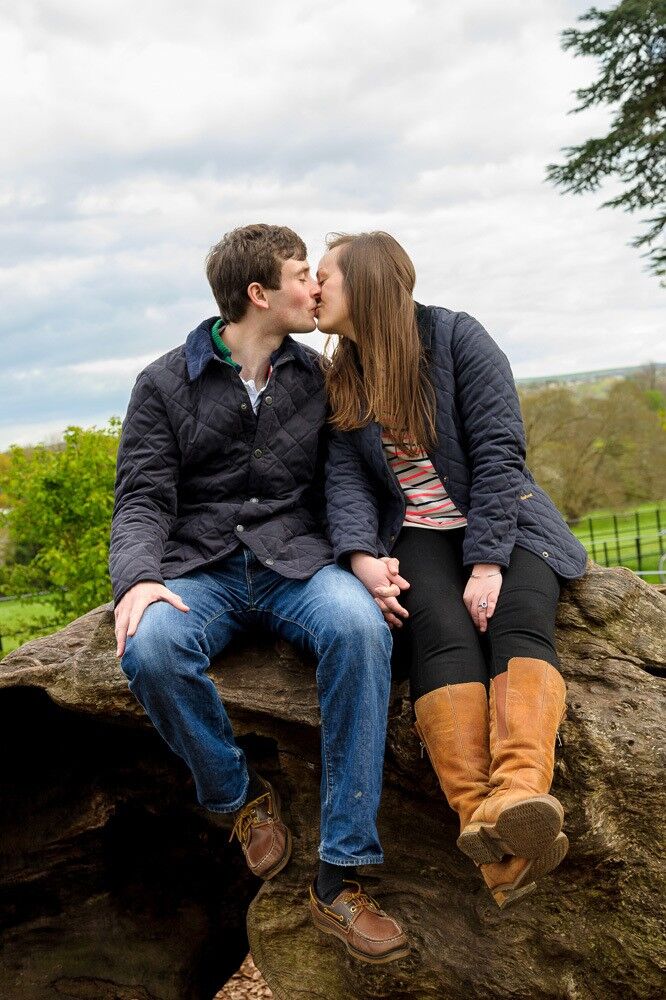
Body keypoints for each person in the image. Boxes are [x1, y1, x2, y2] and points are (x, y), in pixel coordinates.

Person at [110, 224, 409, 963]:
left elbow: (341, 483)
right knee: (149, 648)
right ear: (259, 293)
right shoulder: (162, 383)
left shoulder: (319, 378)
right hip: (200, 569)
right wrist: (138, 579)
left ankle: (339, 876)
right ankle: (239, 800)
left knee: (362, 630)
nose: (316, 288)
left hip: (295, 564)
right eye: (304, 274)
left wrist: (362, 559)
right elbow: (143, 496)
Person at [318, 231, 588, 908]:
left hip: (504, 517)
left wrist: (489, 562)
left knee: (518, 617)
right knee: (438, 631)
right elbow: (345, 477)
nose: (313, 290)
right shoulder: (343, 373)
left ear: (367, 284)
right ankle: (486, 822)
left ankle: (517, 797)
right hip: (415, 532)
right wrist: (360, 555)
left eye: (324, 277)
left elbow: (499, 452)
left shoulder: (459, 338)